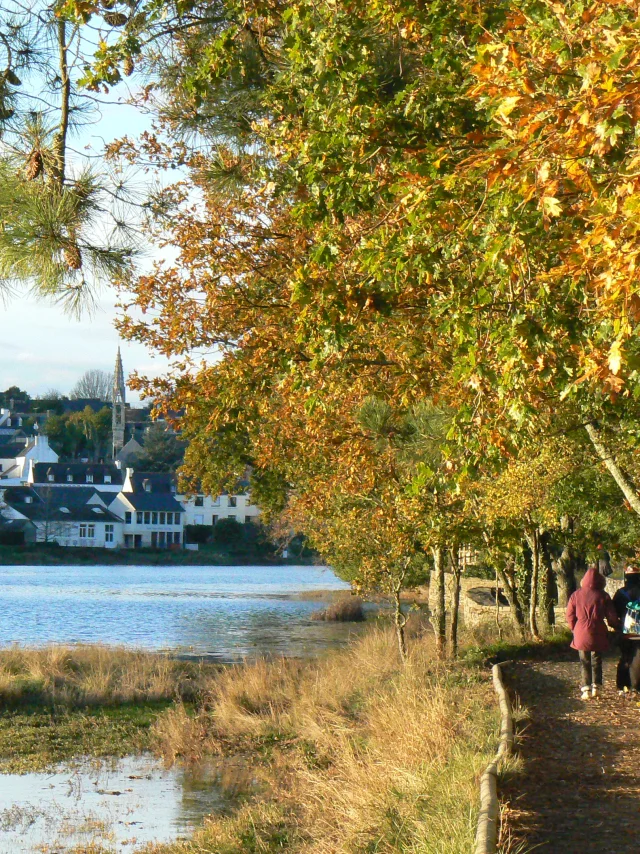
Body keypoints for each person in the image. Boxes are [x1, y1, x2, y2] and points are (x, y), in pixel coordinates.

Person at [566, 565, 619, 699]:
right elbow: (611, 616)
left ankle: (586, 689)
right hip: (598, 630)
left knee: (584, 661)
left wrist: (574, 628)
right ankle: (597, 687)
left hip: (581, 630)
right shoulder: (603, 595)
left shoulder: (575, 595)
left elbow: (570, 615)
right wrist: (616, 625)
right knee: (597, 659)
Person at [613, 564, 640, 693]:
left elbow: (615, 611)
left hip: (625, 629)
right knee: (637, 657)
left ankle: (622, 684)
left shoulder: (621, 593)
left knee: (625, 656)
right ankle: (636, 685)